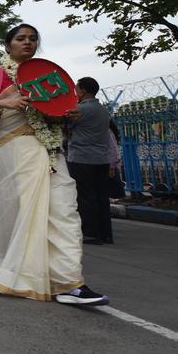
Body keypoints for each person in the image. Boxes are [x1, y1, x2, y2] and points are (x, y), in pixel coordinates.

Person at [0, 24, 109, 305]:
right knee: (23, 213)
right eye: (20, 39)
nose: (28, 43)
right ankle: (18, 275)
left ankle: (69, 283)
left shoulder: (46, 76)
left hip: (50, 150)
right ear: (7, 46)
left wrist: (67, 114)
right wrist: (3, 103)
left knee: (65, 211)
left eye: (33, 38)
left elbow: (56, 110)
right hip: (13, 148)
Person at [66, 76, 114, 245]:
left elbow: (66, 126)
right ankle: (106, 234)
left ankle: (90, 233)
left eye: (76, 89)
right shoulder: (103, 109)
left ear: (83, 90)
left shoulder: (80, 109)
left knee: (85, 196)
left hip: (82, 157)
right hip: (101, 158)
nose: (75, 93)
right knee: (101, 196)